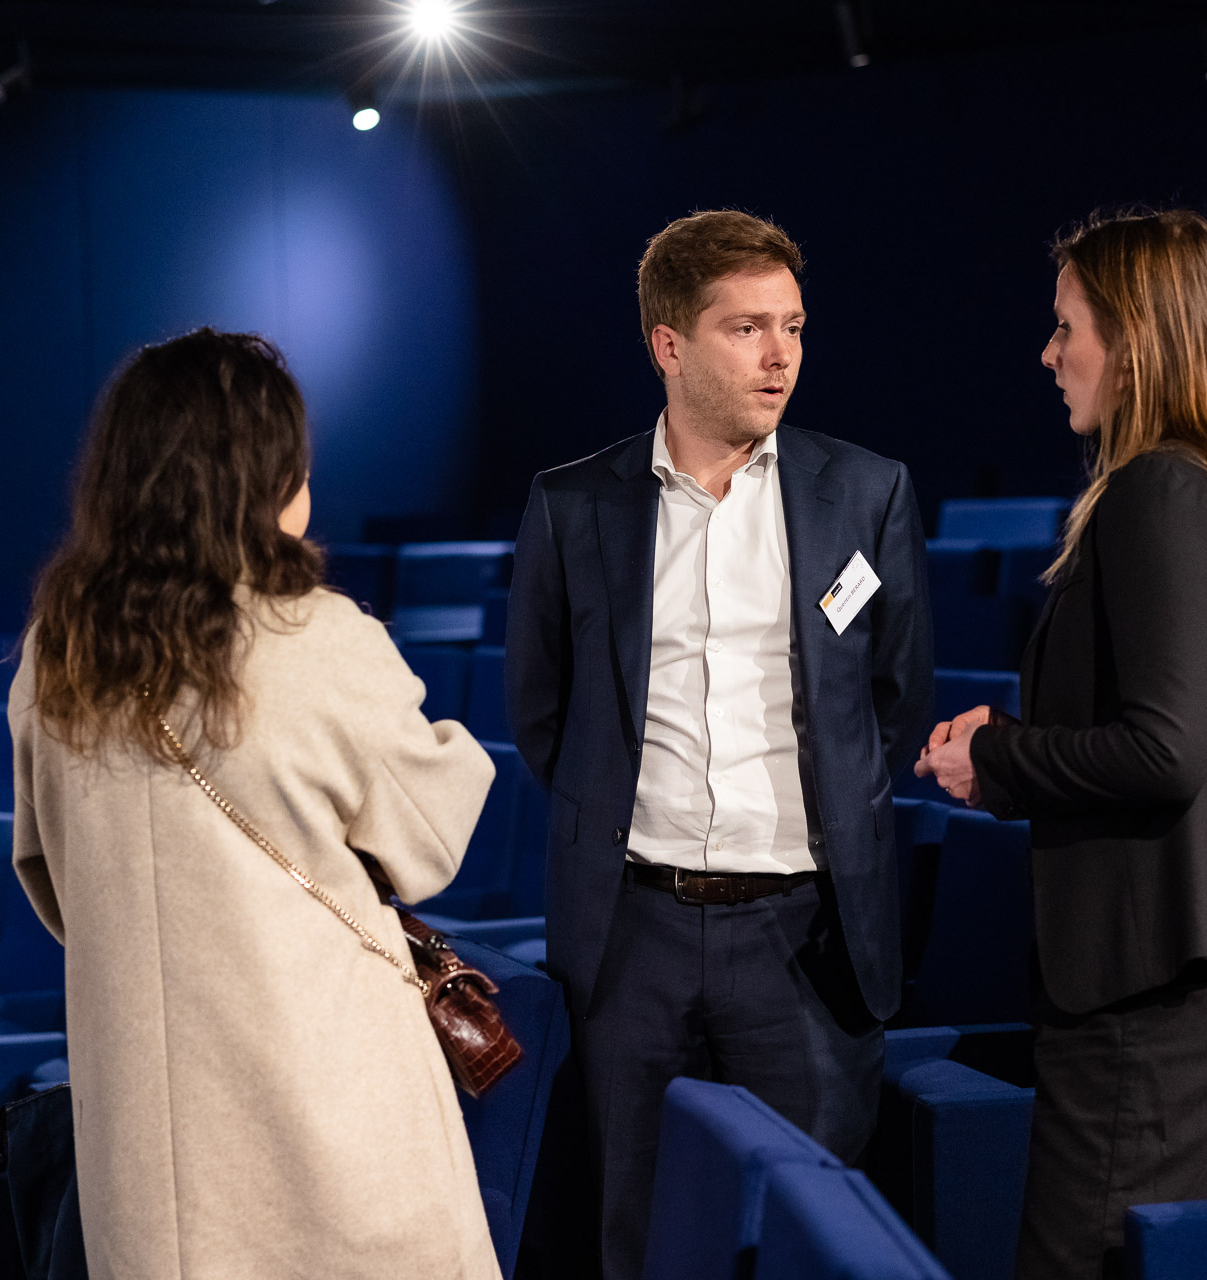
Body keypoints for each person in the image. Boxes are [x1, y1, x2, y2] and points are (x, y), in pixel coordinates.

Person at [8, 329, 502, 1280]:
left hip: (147, 1169)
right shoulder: (317, 639)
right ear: (266, 477)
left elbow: (53, 885)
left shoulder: (53, 658)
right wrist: (456, 747)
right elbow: (429, 843)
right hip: (329, 1139)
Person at [506, 209, 933, 1280]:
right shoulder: (573, 505)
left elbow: (891, 701)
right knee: (632, 1234)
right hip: (633, 935)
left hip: (806, 938)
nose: (779, 354)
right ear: (670, 344)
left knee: (802, 1239)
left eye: (792, 326)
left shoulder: (867, 491)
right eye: (746, 328)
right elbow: (544, 716)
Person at [915, 209, 1207, 1280]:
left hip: (1158, 987)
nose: (1049, 354)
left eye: (1067, 327)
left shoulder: (1159, 486)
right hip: (1197, 977)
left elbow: (1165, 750)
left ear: (1134, 339)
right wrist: (1012, 744)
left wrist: (997, 760)